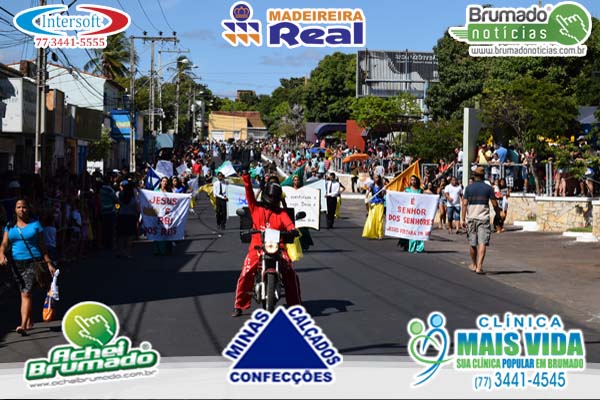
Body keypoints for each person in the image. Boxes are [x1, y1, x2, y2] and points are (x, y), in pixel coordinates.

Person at [232, 172, 302, 317]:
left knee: (290, 272)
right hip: (257, 248)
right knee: (246, 273)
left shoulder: (281, 213)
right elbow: (249, 193)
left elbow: (289, 225)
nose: (272, 200)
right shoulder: (256, 209)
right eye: (270, 197)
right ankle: (239, 305)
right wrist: (246, 176)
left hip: (278, 248)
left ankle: (296, 305)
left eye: (275, 198)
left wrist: (293, 230)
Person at [0, 199, 56, 336]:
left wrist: (49, 263)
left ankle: (23, 325)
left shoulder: (35, 225)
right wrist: (1, 254)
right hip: (16, 264)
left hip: (33, 262)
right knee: (24, 291)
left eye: (24, 207)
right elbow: (4, 243)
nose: (21, 210)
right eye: (18, 207)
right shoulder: (10, 226)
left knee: (26, 293)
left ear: (28, 209)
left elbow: (42, 246)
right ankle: (29, 320)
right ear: (15, 210)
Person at [461, 167, 502, 274]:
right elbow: (494, 204)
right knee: (482, 242)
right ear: (484, 176)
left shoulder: (469, 188)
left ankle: (474, 264)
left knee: (472, 243)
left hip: (471, 217)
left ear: (474, 176)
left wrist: (463, 219)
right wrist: (498, 215)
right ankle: (479, 267)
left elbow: (464, 204)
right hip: (483, 218)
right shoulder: (488, 188)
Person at [399, 176, 425, 253]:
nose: (413, 181)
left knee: (418, 230)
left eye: (414, 180)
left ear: (417, 181)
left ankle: (419, 247)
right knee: (410, 230)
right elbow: (400, 197)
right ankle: (409, 246)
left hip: (418, 214)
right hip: (409, 213)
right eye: (411, 180)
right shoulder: (407, 190)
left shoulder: (420, 190)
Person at [116, 180, 140, 258]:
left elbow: (117, 203)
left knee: (121, 235)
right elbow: (137, 209)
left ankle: (120, 251)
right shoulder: (133, 199)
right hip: (131, 217)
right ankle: (128, 252)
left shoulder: (121, 197)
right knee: (129, 236)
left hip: (121, 216)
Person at [291, 175, 314, 251]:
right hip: (293, 212)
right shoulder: (289, 191)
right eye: (295, 180)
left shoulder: (304, 191)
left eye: (297, 180)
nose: (296, 181)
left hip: (302, 212)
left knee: (303, 229)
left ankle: (304, 244)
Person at [362, 175, 386, 240]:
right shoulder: (372, 186)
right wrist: (366, 199)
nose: (376, 179)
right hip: (373, 204)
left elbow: (383, 195)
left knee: (379, 219)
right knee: (372, 218)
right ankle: (371, 233)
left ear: (379, 178)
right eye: (375, 177)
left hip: (380, 204)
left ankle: (379, 234)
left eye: (377, 177)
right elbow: (367, 193)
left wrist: (384, 190)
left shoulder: (382, 186)